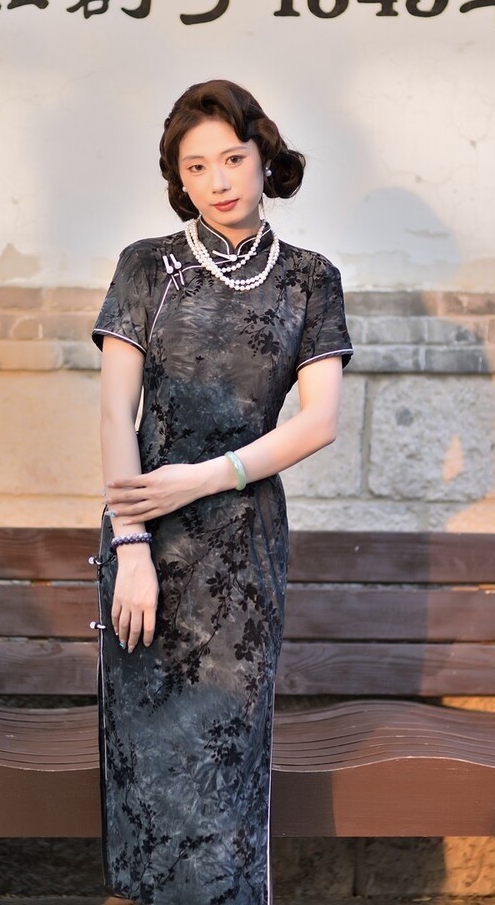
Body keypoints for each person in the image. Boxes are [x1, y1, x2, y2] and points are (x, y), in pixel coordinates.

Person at [92, 79, 353, 905]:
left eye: (232, 158)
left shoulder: (310, 279)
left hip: (243, 548)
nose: (217, 180)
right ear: (178, 178)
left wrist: (204, 478)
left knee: (227, 773)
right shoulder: (146, 266)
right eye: (195, 166)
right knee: (147, 776)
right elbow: (114, 412)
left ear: (263, 157)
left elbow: (318, 423)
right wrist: (132, 547)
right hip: (146, 544)